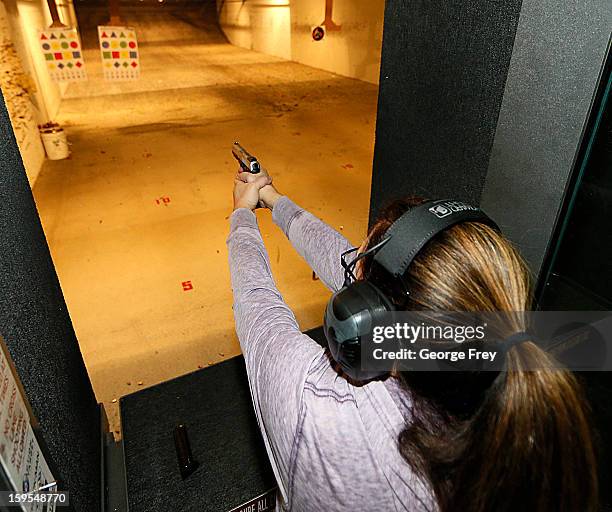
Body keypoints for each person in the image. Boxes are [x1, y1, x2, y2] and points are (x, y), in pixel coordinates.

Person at [228, 168, 598, 512]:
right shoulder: (514, 378)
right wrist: (275, 200)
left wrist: (242, 214)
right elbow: (346, 261)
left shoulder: (322, 410)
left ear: (374, 325)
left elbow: (258, 307)